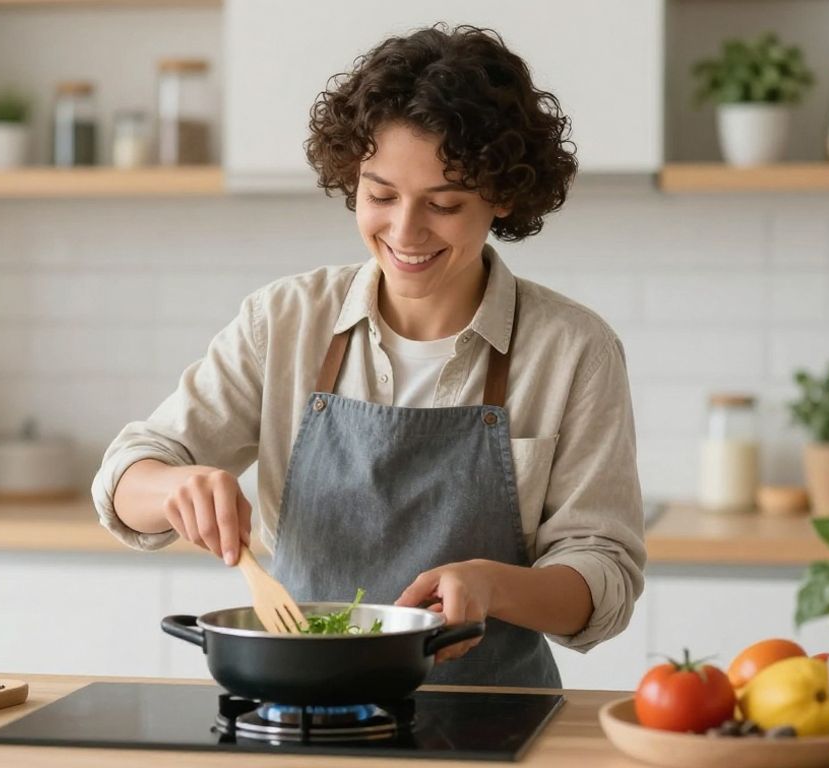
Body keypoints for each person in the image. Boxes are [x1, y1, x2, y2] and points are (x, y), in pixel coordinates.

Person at [91, 24, 645, 688]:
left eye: (443, 204)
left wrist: (496, 587)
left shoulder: (572, 350)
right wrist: (175, 485)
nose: (404, 232)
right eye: (380, 195)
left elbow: (603, 573)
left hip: (494, 717)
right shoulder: (285, 321)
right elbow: (126, 478)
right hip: (297, 704)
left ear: (501, 196)